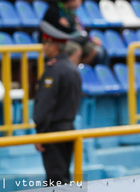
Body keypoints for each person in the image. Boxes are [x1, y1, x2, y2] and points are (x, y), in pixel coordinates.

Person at [33, 21, 82, 185]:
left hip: (53, 132)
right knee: (63, 176)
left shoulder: (53, 71)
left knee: (55, 180)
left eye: (45, 43)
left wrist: (40, 132)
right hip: (68, 128)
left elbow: (45, 105)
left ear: (53, 46)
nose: (43, 47)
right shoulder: (71, 67)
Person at [41, 0, 102, 66]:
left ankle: (80, 71)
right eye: (76, 0)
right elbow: (53, 30)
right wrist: (64, 26)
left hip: (69, 39)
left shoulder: (72, 13)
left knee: (92, 49)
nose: (79, 2)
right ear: (70, 1)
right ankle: (68, 73)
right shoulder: (54, 9)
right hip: (54, 41)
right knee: (76, 49)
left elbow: (77, 29)